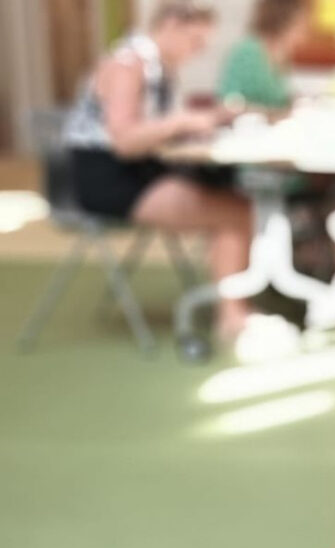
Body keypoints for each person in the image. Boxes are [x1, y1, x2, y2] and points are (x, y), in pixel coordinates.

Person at [65, 0, 253, 342]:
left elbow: (151, 132)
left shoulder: (159, 68)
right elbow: (125, 141)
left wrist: (199, 123)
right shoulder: (127, 65)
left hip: (143, 173)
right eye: (195, 40)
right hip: (110, 180)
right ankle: (232, 317)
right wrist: (180, 122)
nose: (198, 50)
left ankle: (230, 304)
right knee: (235, 212)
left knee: (232, 200)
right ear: (171, 25)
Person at [217, 0, 311, 113]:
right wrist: (272, 113)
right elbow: (229, 104)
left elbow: (277, 98)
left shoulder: (282, 56)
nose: (302, 36)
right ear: (283, 23)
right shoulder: (248, 52)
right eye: (299, 26)